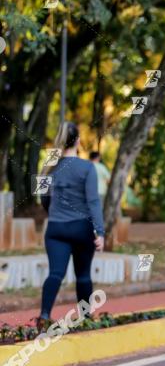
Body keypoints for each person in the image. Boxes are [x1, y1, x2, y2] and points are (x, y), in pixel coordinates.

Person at [37, 121, 105, 331]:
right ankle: (85, 317)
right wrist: (100, 231)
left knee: (55, 273)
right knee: (83, 275)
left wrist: (55, 215)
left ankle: (44, 315)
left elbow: (43, 199)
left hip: (55, 229)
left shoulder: (48, 166)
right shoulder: (87, 167)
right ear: (78, 141)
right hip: (81, 229)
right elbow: (93, 201)